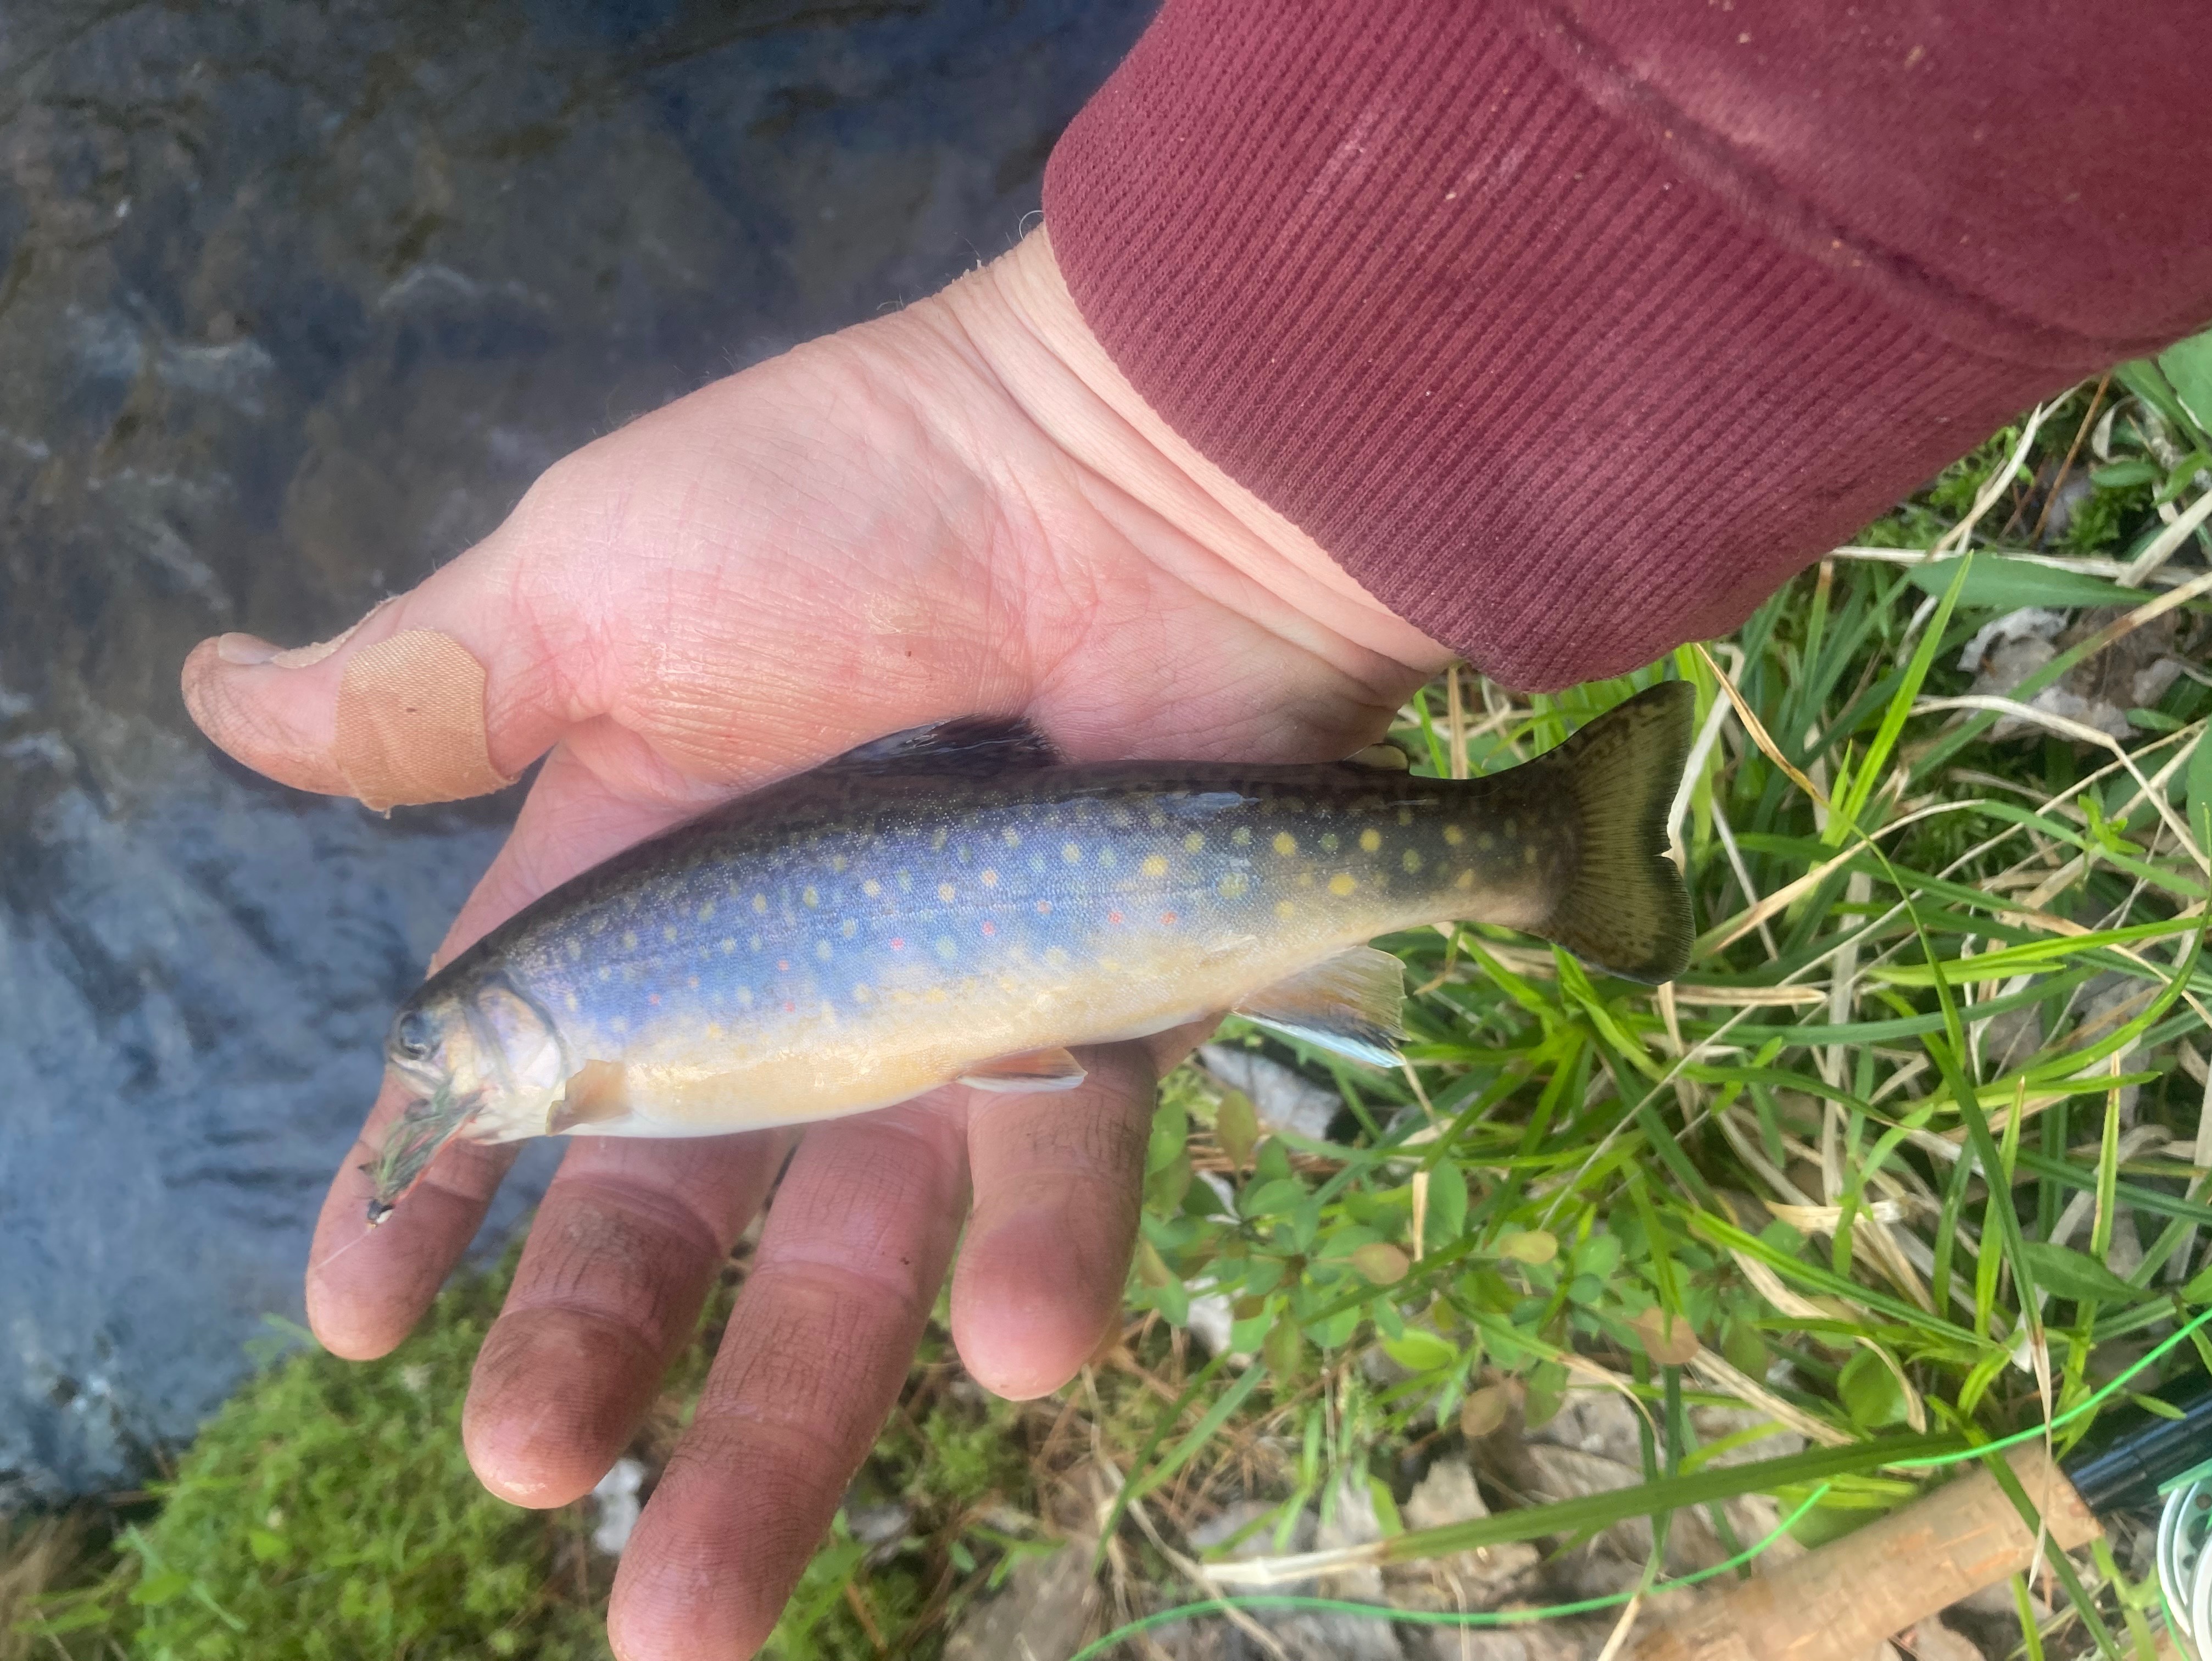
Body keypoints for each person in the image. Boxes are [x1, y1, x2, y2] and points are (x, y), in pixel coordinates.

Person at [181, 3, 2212, 1656]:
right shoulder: (579, 1037)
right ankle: (1527, 849)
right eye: (433, 1070)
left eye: (438, 1054)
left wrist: (1134, 431)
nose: (434, 1083)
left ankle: (1526, 845)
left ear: (506, 1020)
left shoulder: (584, 1030)